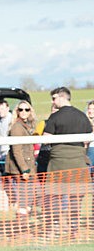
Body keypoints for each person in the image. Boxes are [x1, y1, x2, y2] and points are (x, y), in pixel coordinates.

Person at [41, 86, 93, 238]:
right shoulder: (82, 117)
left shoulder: (55, 117)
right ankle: (74, 229)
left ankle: (54, 228)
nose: (53, 101)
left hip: (58, 161)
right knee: (76, 198)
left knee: (54, 197)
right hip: (78, 160)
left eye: (54, 98)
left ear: (62, 97)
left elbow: (45, 139)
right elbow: (87, 140)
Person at [5, 100, 37, 226]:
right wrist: (25, 169)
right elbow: (17, 151)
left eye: (27, 109)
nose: (24, 112)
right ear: (17, 112)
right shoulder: (17, 127)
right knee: (24, 200)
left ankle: (23, 226)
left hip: (27, 167)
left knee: (28, 199)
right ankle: (21, 228)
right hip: (21, 170)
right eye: (21, 109)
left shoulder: (25, 126)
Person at [0, 99, 12, 163]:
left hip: (9, 151)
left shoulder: (12, 120)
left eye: (2, 109)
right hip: (2, 152)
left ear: (7, 108)